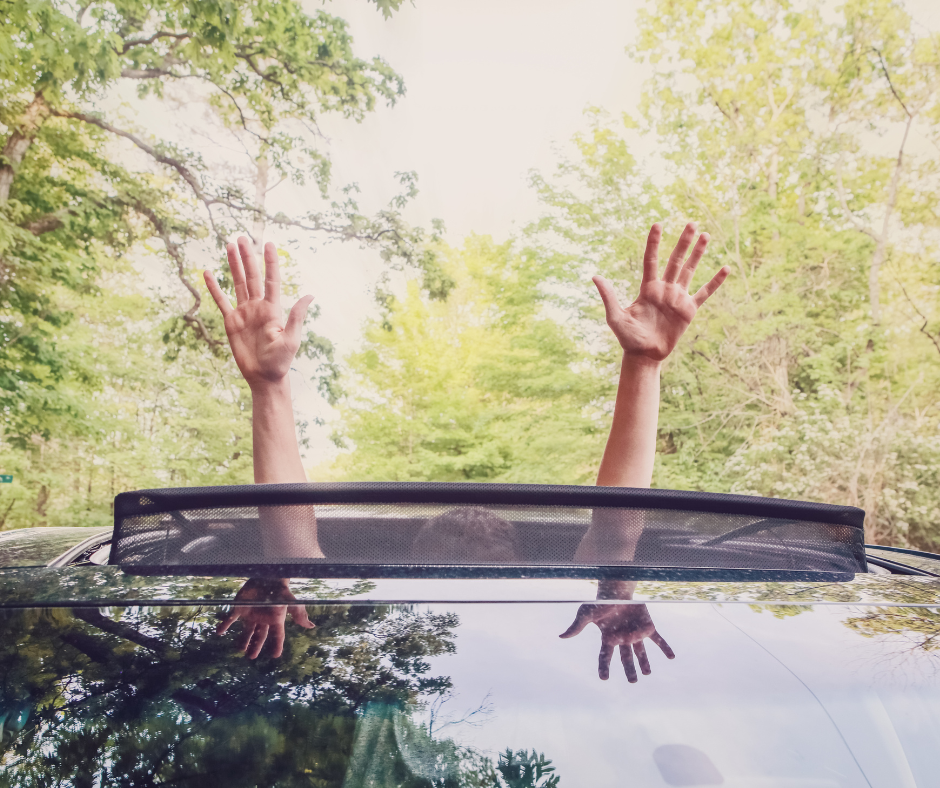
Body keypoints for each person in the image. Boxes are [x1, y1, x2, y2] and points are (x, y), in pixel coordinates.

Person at [203, 223, 729, 661]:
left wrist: (269, 389)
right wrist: (643, 366)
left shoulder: (381, 634)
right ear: (519, 564)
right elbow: (613, 541)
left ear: (412, 564)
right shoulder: (541, 640)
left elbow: (294, 551)